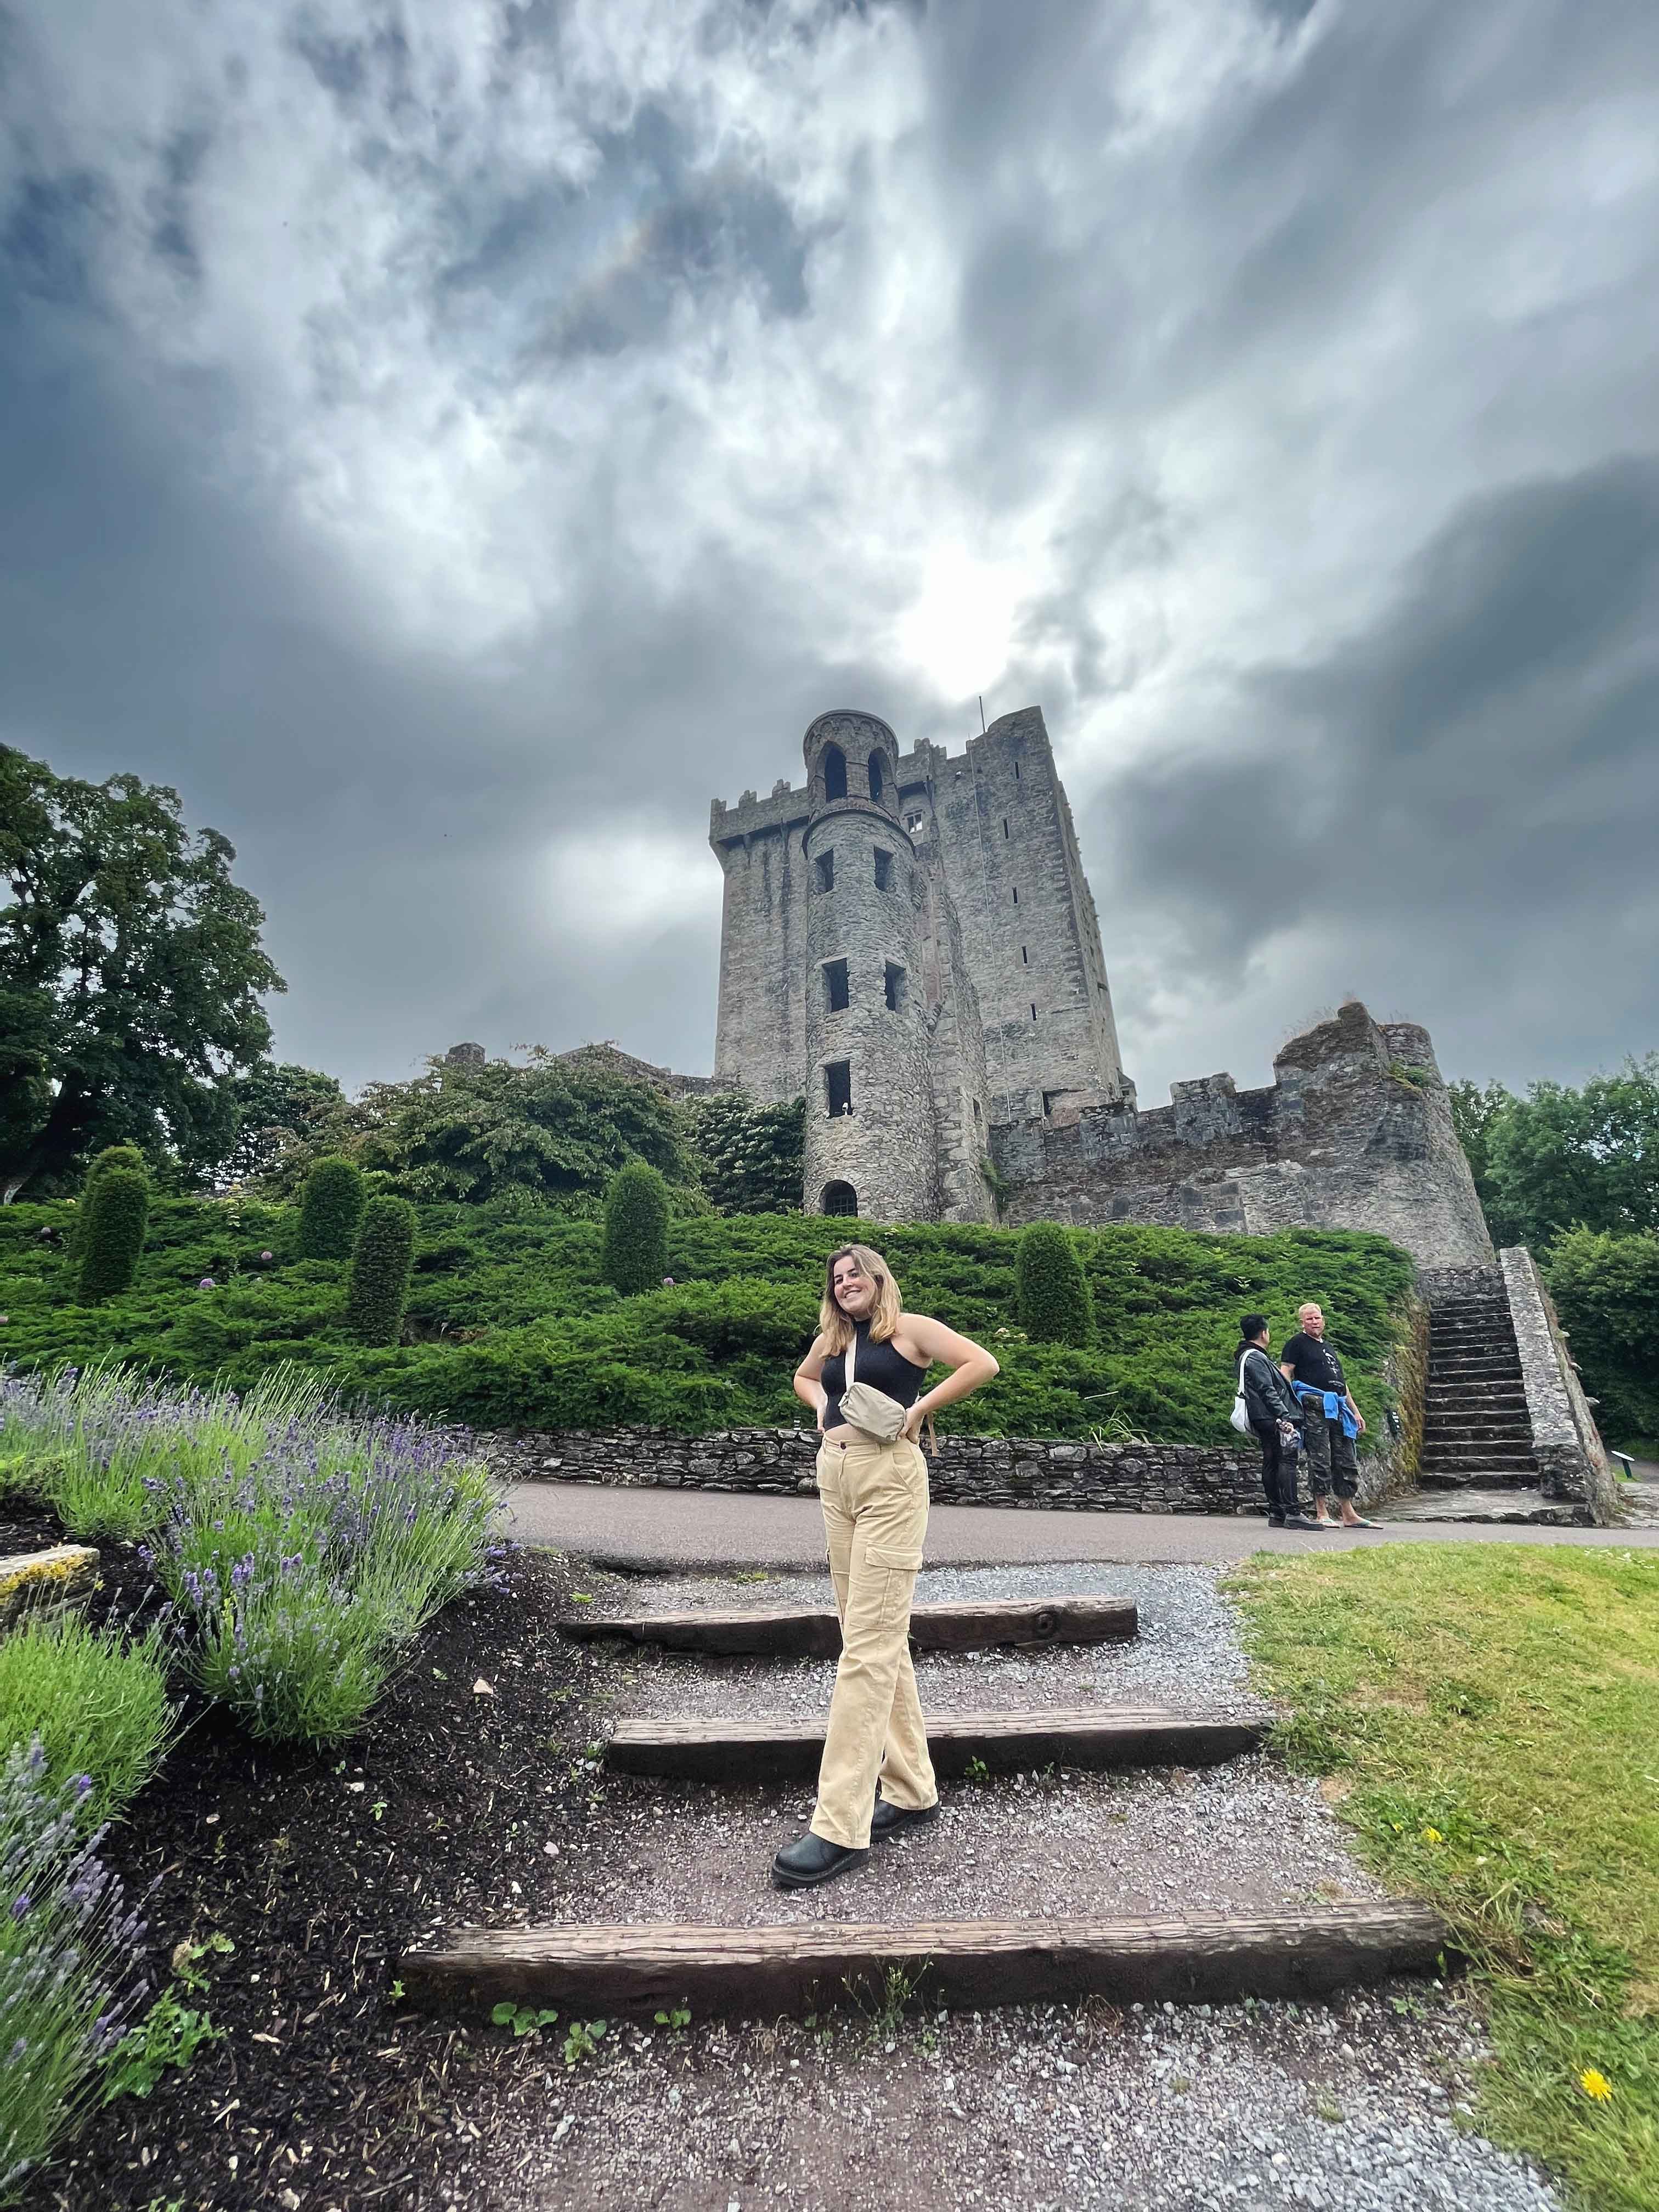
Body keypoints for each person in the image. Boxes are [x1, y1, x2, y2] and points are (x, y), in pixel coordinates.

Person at [778, 1243, 1000, 1891]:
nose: (846, 1282)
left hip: (890, 1482)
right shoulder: (833, 1337)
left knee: (868, 1651)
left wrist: (919, 1410)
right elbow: (804, 1378)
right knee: (872, 1638)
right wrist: (821, 1406)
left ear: (879, 1279)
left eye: (856, 1274)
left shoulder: (910, 1330)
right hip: (836, 1478)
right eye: (837, 1277)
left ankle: (840, 1825)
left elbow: (981, 1362)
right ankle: (911, 1789)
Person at [1279, 1301, 1378, 1530]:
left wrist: (1356, 1412)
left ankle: (1349, 1513)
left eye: (1317, 1318)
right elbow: (1286, 1371)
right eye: (1310, 1319)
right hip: (1315, 1405)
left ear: (1323, 1320)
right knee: (1320, 1458)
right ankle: (1321, 1511)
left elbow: (1342, 1384)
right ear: (1302, 1322)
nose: (1315, 1322)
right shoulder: (1296, 1343)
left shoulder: (1329, 1347)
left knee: (1345, 1458)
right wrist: (1290, 1402)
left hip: (1339, 1407)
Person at [1234, 1314, 1322, 1531]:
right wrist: (1284, 1416)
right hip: (1270, 1417)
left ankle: (1277, 1512)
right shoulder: (1255, 1357)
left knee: (1272, 1461)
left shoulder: (1248, 1355)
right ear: (1264, 1333)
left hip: (1264, 1416)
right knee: (1286, 1461)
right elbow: (1267, 1389)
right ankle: (1292, 1512)